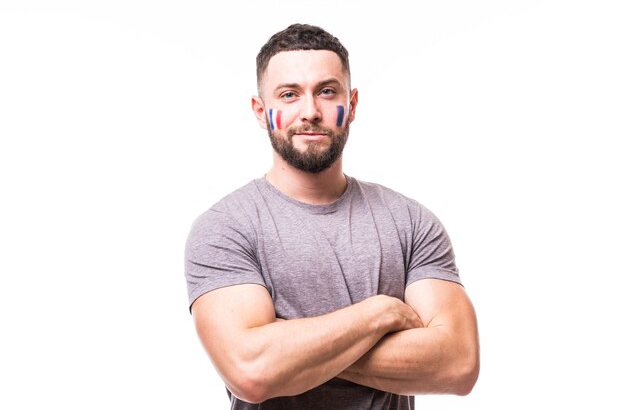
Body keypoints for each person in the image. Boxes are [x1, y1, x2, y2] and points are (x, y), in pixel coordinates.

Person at [185, 23, 479, 409]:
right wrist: (378, 314)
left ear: (352, 104)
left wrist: (291, 349)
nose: (310, 112)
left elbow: (458, 365)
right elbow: (252, 372)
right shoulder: (225, 228)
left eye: (326, 92)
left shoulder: (410, 222)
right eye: (289, 95)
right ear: (261, 111)